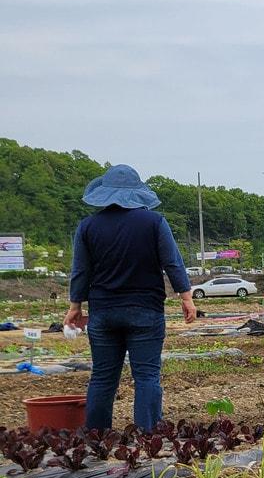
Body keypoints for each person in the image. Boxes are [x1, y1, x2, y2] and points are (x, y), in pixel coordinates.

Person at [65, 165, 197, 432]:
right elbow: (172, 263)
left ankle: (97, 437)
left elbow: (80, 270)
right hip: (145, 311)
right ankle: (147, 438)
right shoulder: (154, 222)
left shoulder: (88, 226)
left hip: (104, 313)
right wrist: (186, 297)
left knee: (102, 377)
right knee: (147, 375)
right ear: (137, 194)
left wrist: (75, 306)